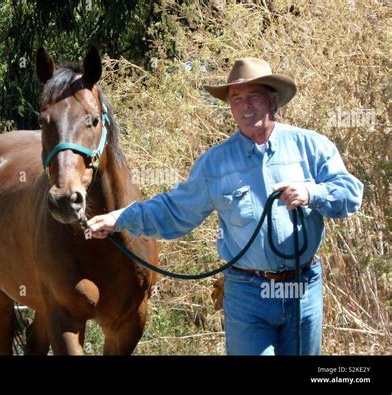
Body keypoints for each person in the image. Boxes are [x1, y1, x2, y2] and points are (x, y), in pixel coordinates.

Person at [87, 57, 363, 355]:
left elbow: (350, 194)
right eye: (237, 99)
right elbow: (173, 210)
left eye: (254, 96)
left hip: (303, 288)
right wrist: (119, 218)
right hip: (248, 292)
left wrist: (312, 193)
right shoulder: (214, 165)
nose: (246, 107)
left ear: (272, 102)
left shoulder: (311, 146)